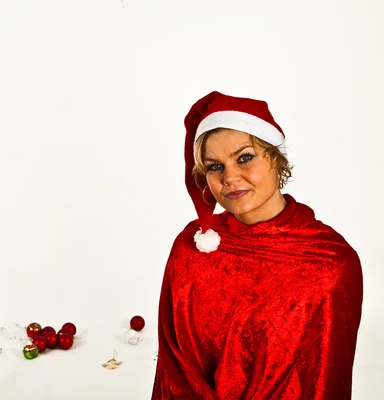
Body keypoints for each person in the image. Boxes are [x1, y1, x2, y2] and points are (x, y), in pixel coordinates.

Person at [152, 91, 363, 399]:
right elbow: (176, 370)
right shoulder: (192, 249)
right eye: (214, 166)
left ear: (276, 160)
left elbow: (322, 379)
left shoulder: (330, 264)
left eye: (245, 158)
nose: (230, 177)